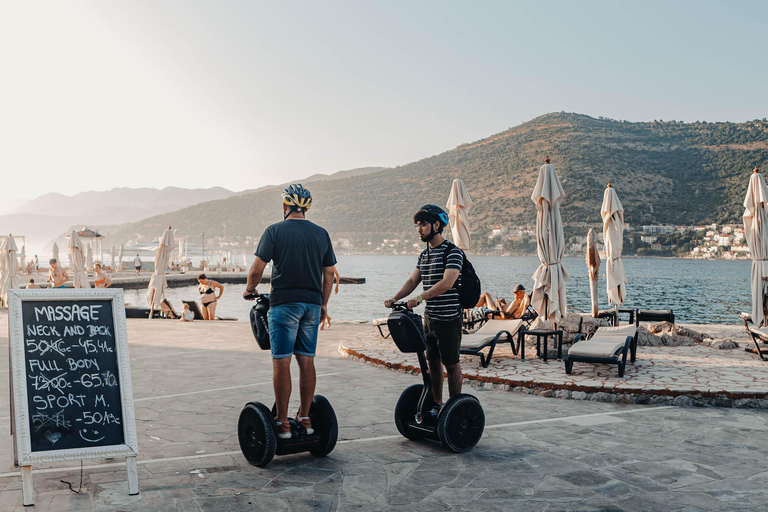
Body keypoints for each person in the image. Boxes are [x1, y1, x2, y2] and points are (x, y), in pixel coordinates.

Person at [243, 184, 336, 440]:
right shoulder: (321, 233)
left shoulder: (274, 231)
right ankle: (305, 418)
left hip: (284, 304)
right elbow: (329, 274)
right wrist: (323, 303)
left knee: (281, 361)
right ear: (306, 208)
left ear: (285, 206)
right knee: (306, 361)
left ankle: (282, 423)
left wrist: (249, 289)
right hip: (312, 305)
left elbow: (256, 269)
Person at [384, 204, 463, 413]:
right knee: (433, 362)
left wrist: (420, 298)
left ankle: (455, 408)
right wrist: (395, 298)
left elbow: (448, 282)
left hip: (449, 318)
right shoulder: (424, 255)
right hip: (430, 318)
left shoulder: (453, 252)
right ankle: (437, 405)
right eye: (417, 225)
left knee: (451, 364)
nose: (419, 229)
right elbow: (412, 281)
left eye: (423, 224)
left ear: (437, 225)